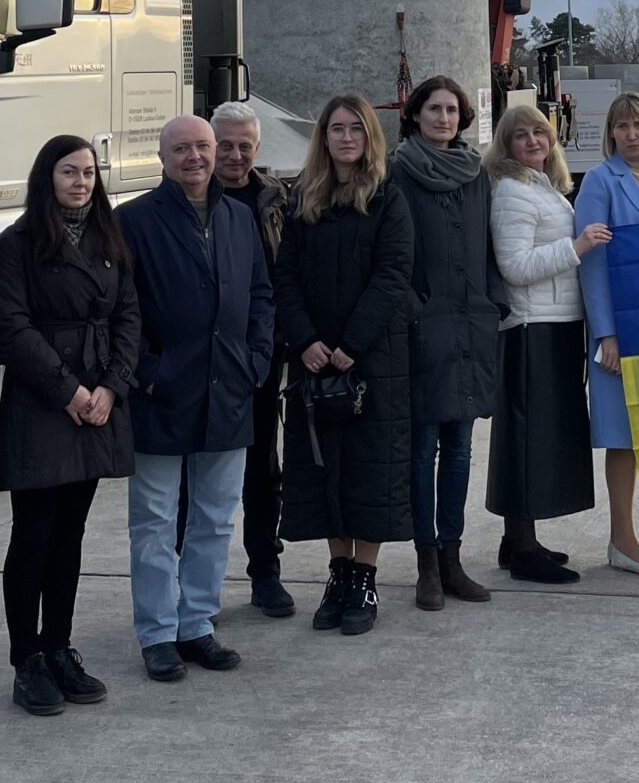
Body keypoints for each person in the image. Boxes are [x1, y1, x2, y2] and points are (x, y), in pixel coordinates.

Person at [0, 136, 137, 715]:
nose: (81, 182)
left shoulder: (109, 238)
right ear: (46, 176)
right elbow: (11, 326)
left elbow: (129, 314)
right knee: (34, 534)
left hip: (96, 402)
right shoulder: (18, 243)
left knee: (70, 535)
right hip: (43, 405)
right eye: (69, 172)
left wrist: (111, 387)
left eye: (89, 173)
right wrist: (68, 389)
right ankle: (27, 658)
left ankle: (59, 647)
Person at [124, 114, 273, 681]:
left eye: (203, 147)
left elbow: (262, 295)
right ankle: (158, 633)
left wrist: (255, 362)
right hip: (162, 392)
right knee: (155, 521)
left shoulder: (239, 217)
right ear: (162, 157)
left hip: (229, 390)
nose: (195, 157)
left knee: (214, 518)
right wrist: (147, 372)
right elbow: (124, 310)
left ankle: (198, 624)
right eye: (182, 148)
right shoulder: (134, 221)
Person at [273, 92, 415, 637]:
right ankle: (337, 573)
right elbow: (284, 278)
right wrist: (305, 340)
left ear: (369, 137)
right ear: (323, 137)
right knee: (323, 469)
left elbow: (393, 274)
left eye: (355, 128)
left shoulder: (387, 197)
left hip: (372, 360)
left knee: (370, 470)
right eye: (336, 129)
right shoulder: (302, 199)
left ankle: (364, 576)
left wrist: (352, 343)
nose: (346, 138)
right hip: (313, 361)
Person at [388, 74, 507, 612]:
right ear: (415, 115)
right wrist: (414, 308)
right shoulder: (397, 172)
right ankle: (427, 565)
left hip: (471, 325)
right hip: (423, 328)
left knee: (460, 449)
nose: (444, 118)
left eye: (452, 111)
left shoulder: (475, 174)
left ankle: (454, 559)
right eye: (434, 109)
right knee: (423, 449)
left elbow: (487, 246)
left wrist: (492, 303)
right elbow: (392, 254)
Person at [483, 104, 598, 583]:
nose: (533, 142)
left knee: (539, 437)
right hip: (533, 327)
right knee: (529, 439)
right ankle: (524, 549)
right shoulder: (511, 190)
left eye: (540, 133)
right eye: (521, 135)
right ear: (505, 144)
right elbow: (515, 267)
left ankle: (518, 541)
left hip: (556, 321)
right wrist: (577, 247)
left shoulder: (541, 187)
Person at [573, 91, 639, 577]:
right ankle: (621, 538)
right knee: (624, 436)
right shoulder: (600, 181)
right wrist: (606, 335)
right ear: (611, 134)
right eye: (623, 127)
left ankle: (632, 535)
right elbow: (593, 265)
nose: (633, 134)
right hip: (621, 329)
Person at [212, 100, 299, 615]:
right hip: (203, 358)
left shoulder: (277, 199)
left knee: (262, 470)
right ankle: (192, 582)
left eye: (245, 145)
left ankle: (265, 571)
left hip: (261, 355)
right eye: (225, 144)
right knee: (194, 477)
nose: (235, 154)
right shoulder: (192, 196)